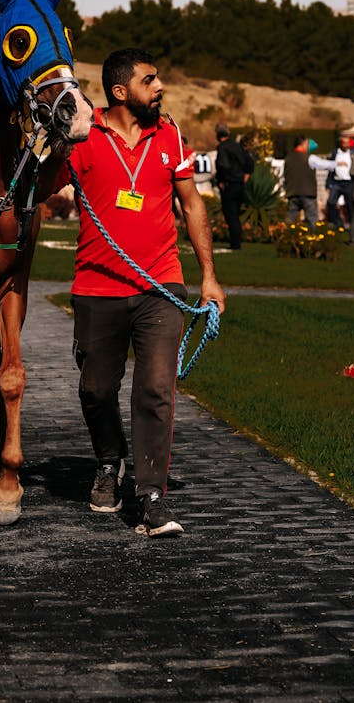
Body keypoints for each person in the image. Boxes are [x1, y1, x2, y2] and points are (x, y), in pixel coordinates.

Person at [60, 48, 225, 538]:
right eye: (149, 80)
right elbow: (38, 183)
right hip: (96, 285)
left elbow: (191, 204)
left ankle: (151, 497)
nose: (159, 87)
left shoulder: (169, 133)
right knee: (95, 390)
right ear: (119, 91)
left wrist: (208, 276)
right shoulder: (83, 135)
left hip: (161, 286)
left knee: (155, 390)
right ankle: (109, 461)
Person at [214, 124, 254, 250]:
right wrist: (245, 177)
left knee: (230, 214)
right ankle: (236, 241)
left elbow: (222, 166)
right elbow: (249, 162)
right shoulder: (237, 146)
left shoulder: (222, 148)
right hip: (240, 184)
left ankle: (235, 243)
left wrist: (221, 181)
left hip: (229, 184)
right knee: (235, 213)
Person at [283, 136, 321, 228]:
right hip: (308, 193)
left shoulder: (288, 158)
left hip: (293, 193)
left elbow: (286, 175)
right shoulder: (310, 158)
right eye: (307, 144)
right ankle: (316, 239)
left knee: (290, 220)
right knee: (313, 221)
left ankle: (285, 237)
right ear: (303, 144)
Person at [325, 135, 354, 226]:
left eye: (348, 143)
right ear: (341, 144)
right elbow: (330, 169)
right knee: (331, 202)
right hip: (336, 182)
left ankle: (353, 224)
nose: (346, 145)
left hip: (349, 182)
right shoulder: (335, 153)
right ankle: (338, 223)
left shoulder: (353, 153)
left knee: (350, 204)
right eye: (344, 143)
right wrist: (327, 184)